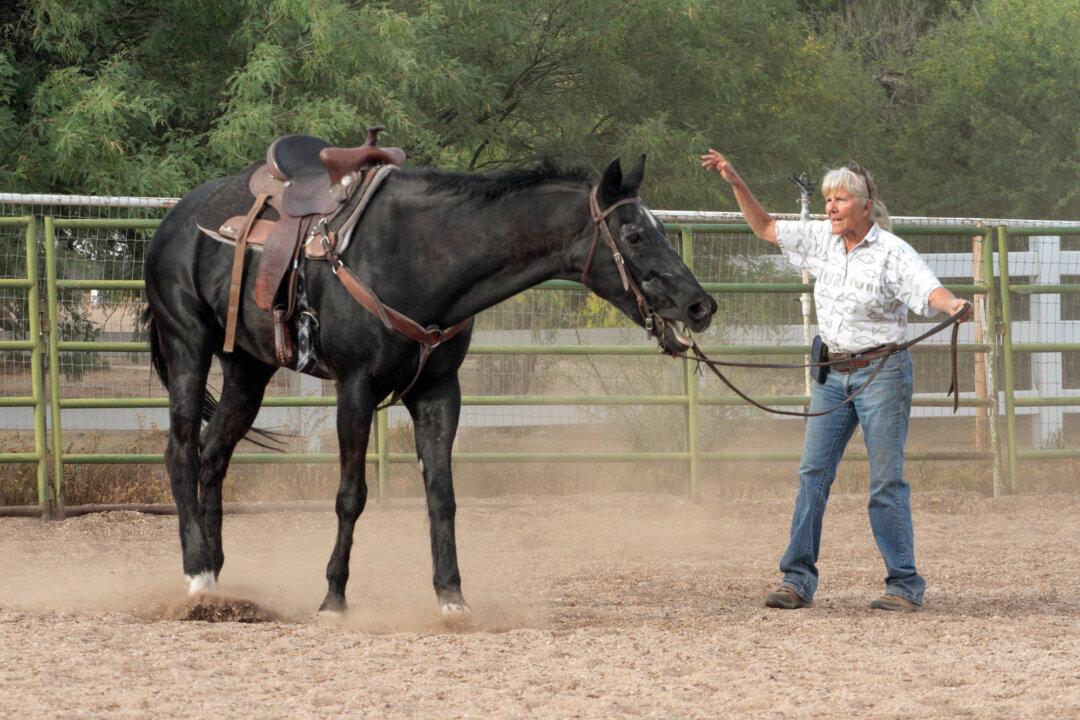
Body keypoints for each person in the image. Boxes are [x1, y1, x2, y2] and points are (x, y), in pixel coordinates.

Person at [700, 149, 969, 612]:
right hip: (831, 373)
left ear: (865, 206)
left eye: (839, 199)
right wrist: (736, 181)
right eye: (828, 199)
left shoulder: (892, 252)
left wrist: (951, 305)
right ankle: (796, 579)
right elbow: (765, 227)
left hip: (881, 373)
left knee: (885, 480)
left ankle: (903, 584)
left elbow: (928, 288)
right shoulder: (821, 239)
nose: (830, 207)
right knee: (813, 475)